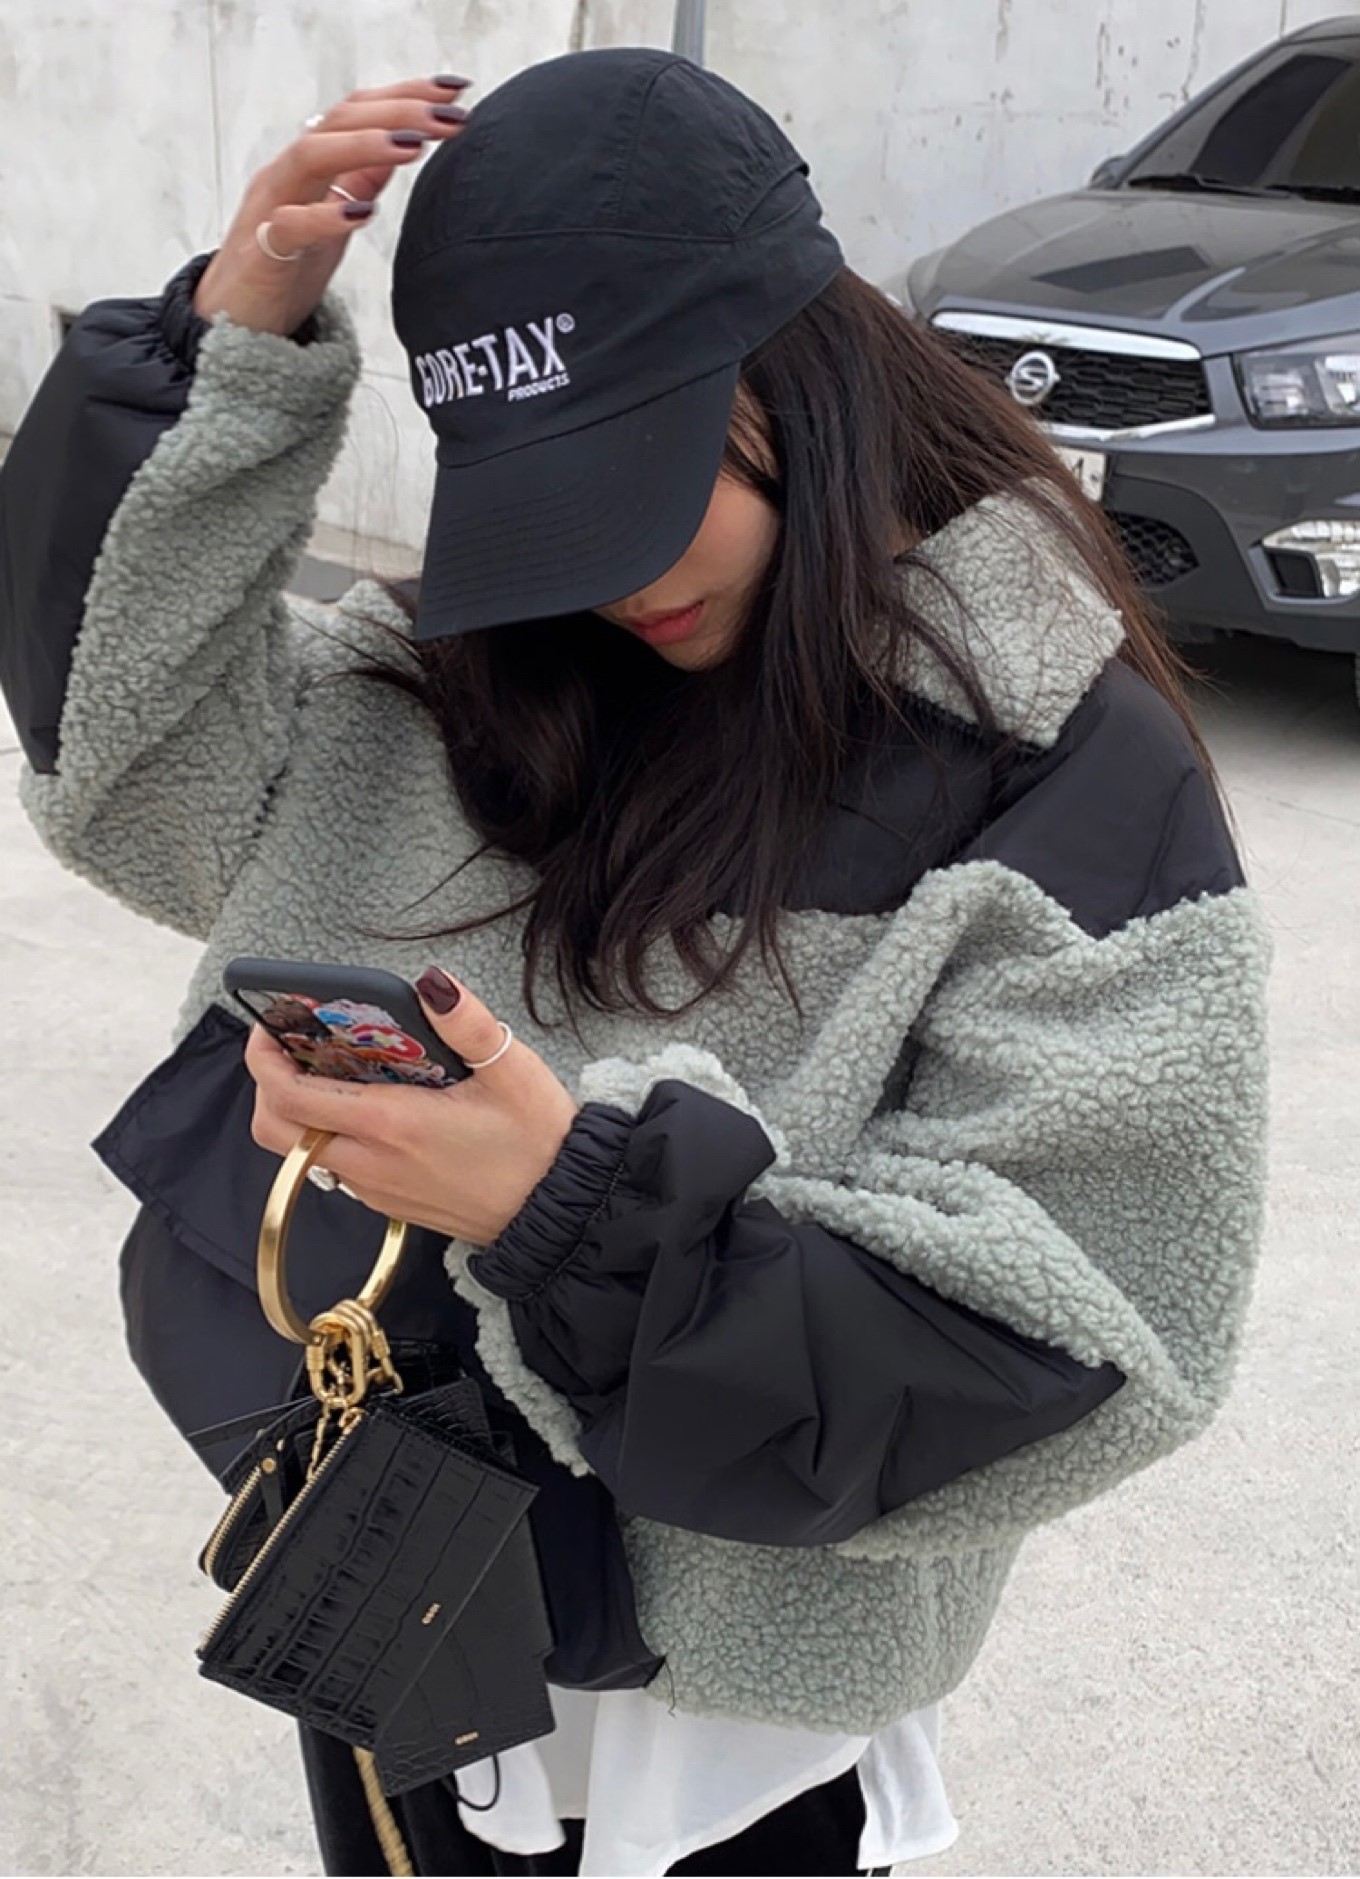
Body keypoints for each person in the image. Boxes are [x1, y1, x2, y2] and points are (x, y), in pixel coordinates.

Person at [0, 46, 1269, 1879]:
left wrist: (569, 1213)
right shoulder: (454, 682)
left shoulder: (1053, 758)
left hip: (730, 1714)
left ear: (797, 370)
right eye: (550, 507)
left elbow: (1090, 1321)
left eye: (643, 482)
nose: (615, 576)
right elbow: (126, 759)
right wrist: (221, 353)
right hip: (386, 1582)